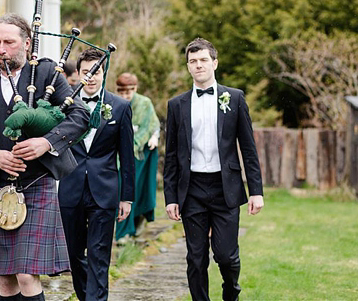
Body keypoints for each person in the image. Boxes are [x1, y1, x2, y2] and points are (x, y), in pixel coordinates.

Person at [0, 13, 89, 301]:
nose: (2, 49)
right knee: (5, 278)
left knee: (27, 274)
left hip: (36, 184)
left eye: (9, 42)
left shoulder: (46, 75)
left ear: (27, 43)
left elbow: (80, 115)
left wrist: (46, 142)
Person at [163, 38, 264, 301]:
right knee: (196, 258)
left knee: (226, 256)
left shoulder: (236, 98)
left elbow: (249, 149)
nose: (198, 65)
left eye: (203, 60)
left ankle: (231, 292)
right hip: (192, 189)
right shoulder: (177, 105)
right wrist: (171, 197)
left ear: (214, 63)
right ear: (188, 67)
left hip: (225, 187)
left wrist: (256, 191)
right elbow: (171, 155)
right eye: (193, 61)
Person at [58, 48, 135, 301]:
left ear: (104, 73)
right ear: (78, 74)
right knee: (73, 253)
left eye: (96, 71)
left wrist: (127, 197)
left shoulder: (120, 107)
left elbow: (126, 156)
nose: (90, 77)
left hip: (104, 191)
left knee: (100, 255)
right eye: (85, 72)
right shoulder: (64, 104)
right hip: (71, 189)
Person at [114, 73, 160, 241]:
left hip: (141, 152)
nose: (125, 96)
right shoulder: (113, 102)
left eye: (128, 92)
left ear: (135, 89)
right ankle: (122, 232)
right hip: (119, 153)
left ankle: (139, 221)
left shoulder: (144, 103)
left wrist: (154, 137)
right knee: (122, 191)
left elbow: (153, 125)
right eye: (121, 92)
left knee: (140, 189)